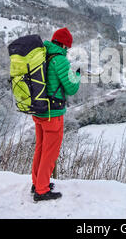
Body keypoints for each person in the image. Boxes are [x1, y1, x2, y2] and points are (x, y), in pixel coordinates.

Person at [31, 27, 80, 201]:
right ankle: (42, 190)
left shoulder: (42, 54)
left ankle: (37, 182)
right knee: (50, 153)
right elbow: (72, 88)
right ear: (65, 45)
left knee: (40, 148)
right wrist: (77, 75)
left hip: (39, 110)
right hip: (53, 113)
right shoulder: (60, 60)